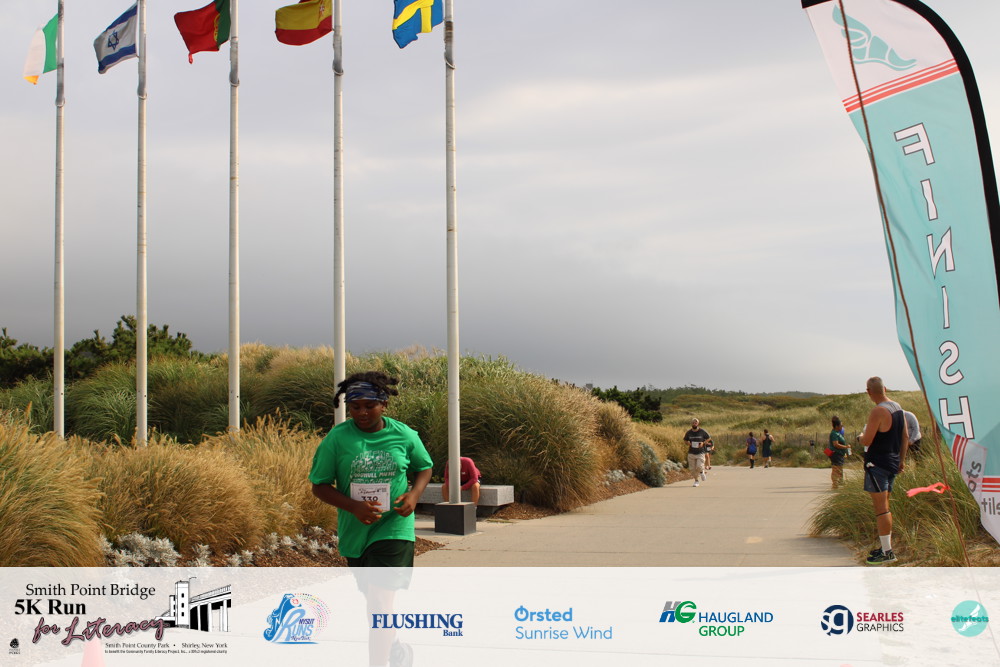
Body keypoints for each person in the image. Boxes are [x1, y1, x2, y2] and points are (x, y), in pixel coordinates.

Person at [309, 371, 434, 567]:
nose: (362, 412)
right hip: (355, 531)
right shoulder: (337, 438)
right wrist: (354, 507)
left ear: (384, 404)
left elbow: (424, 467)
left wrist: (414, 495)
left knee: (384, 585)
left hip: (395, 527)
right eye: (355, 407)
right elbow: (319, 486)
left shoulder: (404, 435)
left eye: (369, 406)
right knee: (370, 586)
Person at [858, 376, 909, 565]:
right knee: (885, 505)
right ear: (885, 388)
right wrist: (901, 460)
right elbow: (905, 436)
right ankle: (885, 547)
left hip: (877, 464)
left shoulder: (878, 411)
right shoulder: (898, 408)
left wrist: (860, 436)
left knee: (882, 509)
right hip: (892, 462)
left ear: (869, 392)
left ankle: (887, 551)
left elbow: (867, 440)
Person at [684, 418, 713, 487]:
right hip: (691, 452)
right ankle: (696, 481)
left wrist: (703, 443)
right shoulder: (689, 432)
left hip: (700, 452)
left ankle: (702, 472)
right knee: (692, 469)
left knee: (699, 466)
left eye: (696, 423)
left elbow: (709, 438)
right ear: (691, 424)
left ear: (698, 423)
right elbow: (685, 440)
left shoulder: (702, 431)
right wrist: (688, 443)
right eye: (693, 423)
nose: (694, 424)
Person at [829, 416, 848, 489]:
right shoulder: (834, 433)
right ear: (837, 426)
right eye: (841, 425)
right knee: (835, 469)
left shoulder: (838, 433)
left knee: (839, 469)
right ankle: (835, 484)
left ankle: (839, 482)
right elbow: (836, 444)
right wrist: (845, 447)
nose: (842, 427)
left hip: (840, 454)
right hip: (836, 454)